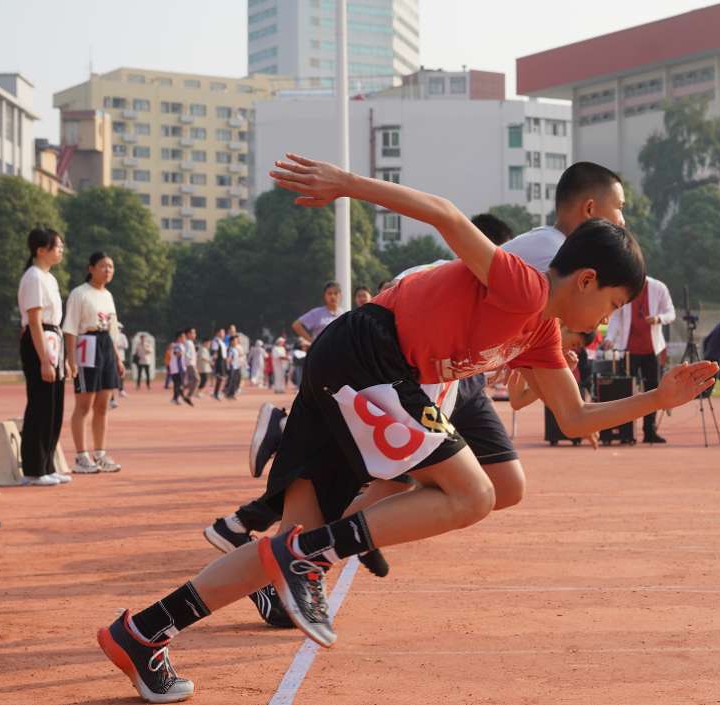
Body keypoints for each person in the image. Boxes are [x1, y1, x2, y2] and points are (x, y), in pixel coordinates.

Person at [96, 154, 718, 702]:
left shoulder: (542, 331)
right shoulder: (526, 286)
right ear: (585, 280)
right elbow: (447, 216)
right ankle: (306, 556)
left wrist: (657, 398)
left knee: (289, 542)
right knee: (473, 493)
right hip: (371, 354)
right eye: (610, 305)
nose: (606, 320)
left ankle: (142, 632)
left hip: (355, 372)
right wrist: (345, 183)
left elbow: (577, 418)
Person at [212, 162, 629, 616]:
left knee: (495, 484)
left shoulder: (551, 288)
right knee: (409, 479)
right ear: (591, 210)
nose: (624, 220)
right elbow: (447, 222)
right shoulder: (550, 256)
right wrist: (348, 185)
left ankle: (294, 540)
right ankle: (296, 546)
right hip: (413, 356)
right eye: (620, 209)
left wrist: (547, 374)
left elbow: (564, 407)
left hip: (456, 368)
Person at [17, 229, 71, 486]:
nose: (61, 250)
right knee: (40, 405)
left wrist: (62, 358)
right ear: (41, 249)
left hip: (54, 338)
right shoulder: (34, 277)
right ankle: (34, 468)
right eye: (57, 246)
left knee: (54, 406)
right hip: (40, 340)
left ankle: (47, 464)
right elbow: (35, 321)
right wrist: (44, 360)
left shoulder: (49, 278)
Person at [65, 251, 126, 473]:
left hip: (106, 346)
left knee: (103, 406)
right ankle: (81, 456)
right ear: (90, 268)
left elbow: (113, 329)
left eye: (111, 267)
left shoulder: (108, 296)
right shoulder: (79, 294)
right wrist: (71, 360)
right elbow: (70, 328)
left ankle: (100, 454)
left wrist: (118, 358)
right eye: (103, 266)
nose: (108, 270)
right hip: (86, 344)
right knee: (84, 405)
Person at [603, 274, 675, 443]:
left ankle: (649, 431)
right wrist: (610, 338)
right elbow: (615, 317)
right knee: (625, 392)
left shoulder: (658, 287)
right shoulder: (625, 288)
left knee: (653, 391)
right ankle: (626, 432)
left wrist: (659, 319)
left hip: (652, 350)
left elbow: (671, 313)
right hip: (628, 351)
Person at [168, 331, 190, 406]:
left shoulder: (179, 345)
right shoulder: (177, 346)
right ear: (179, 338)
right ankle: (175, 398)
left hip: (179, 367)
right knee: (178, 384)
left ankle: (176, 398)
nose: (185, 338)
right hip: (178, 368)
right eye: (184, 337)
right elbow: (177, 354)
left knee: (178, 384)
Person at [111, 324, 129, 408]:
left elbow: (126, 345)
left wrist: (117, 346)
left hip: (120, 357)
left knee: (121, 374)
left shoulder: (122, 336)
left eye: (119, 328)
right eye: (117, 328)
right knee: (111, 377)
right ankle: (111, 398)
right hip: (110, 358)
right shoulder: (109, 334)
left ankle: (121, 389)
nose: (118, 329)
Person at [210, 328, 228, 401]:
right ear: (217, 333)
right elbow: (215, 352)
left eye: (224, 332)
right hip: (219, 361)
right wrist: (213, 361)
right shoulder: (216, 341)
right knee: (220, 377)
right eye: (221, 332)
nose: (223, 334)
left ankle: (216, 392)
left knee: (222, 377)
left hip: (223, 360)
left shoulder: (222, 342)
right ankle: (216, 393)